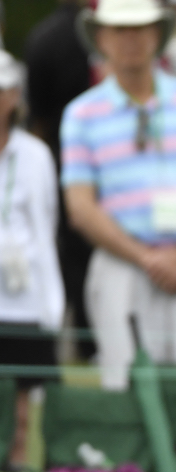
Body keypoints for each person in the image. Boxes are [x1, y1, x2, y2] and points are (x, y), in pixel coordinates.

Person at [61, 0, 176, 391]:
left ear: (157, 35)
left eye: (141, 28)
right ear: (101, 38)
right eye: (120, 29)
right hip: (123, 266)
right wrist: (148, 259)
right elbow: (80, 207)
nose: (131, 39)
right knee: (128, 393)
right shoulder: (81, 114)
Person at [0, 51, 64, 472]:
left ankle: (19, 464)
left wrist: (50, 303)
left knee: (22, 406)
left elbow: (45, 228)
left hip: (24, 297)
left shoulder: (35, 154)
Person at [24, 0, 96, 363]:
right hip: (70, 165)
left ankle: (84, 344)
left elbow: (36, 119)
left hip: (57, 163)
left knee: (70, 258)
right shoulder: (51, 37)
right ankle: (87, 344)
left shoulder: (44, 37)